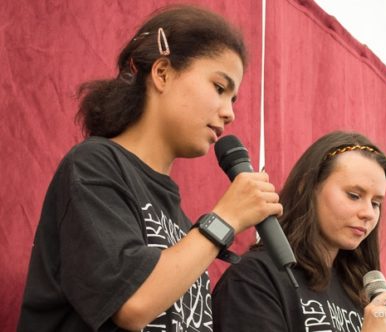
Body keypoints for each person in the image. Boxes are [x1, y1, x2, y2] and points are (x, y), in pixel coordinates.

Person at [17, 5, 282, 332]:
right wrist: (225, 219)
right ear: (162, 73)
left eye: (234, 99)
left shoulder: (182, 223)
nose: (229, 113)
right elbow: (133, 303)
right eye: (218, 88)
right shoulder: (94, 166)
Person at [212, 131, 386, 332]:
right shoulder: (255, 278)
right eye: (354, 196)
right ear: (308, 186)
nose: (368, 213)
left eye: (376, 203)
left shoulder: (358, 292)